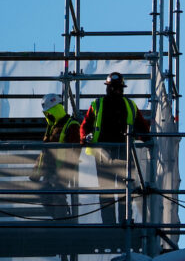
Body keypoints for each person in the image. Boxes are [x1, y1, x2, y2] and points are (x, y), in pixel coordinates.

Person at [78, 72, 149, 224]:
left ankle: (124, 222)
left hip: (124, 153)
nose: (116, 91)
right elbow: (85, 126)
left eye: (118, 88)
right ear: (108, 88)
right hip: (103, 154)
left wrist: (145, 137)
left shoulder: (130, 106)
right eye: (114, 88)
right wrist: (84, 138)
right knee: (107, 191)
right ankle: (109, 224)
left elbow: (143, 128)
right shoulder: (97, 105)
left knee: (125, 189)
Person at [28, 93, 80, 221]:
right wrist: (36, 172)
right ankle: (61, 221)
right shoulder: (52, 127)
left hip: (62, 170)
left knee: (58, 197)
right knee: (44, 195)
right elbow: (44, 152)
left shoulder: (71, 125)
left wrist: (63, 172)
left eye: (49, 112)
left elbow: (75, 152)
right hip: (49, 170)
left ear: (55, 109)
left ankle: (62, 224)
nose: (48, 115)